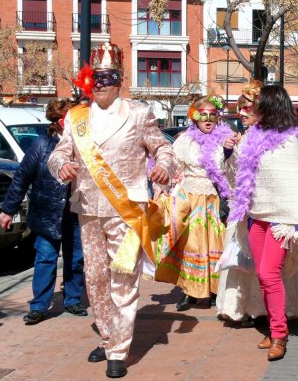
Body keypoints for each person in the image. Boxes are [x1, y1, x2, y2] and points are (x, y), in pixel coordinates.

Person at [47, 42, 176, 378]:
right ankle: (107, 336)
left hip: (126, 208)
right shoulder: (76, 117)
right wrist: (60, 166)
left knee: (123, 276)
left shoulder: (138, 112)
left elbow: (163, 147)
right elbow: (59, 153)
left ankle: (118, 350)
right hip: (88, 208)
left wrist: (163, 167)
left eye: (108, 76)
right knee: (96, 279)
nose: (101, 83)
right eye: (95, 77)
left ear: (120, 81)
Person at [224, 85, 298, 361]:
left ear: (270, 106)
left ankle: (279, 334)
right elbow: (237, 173)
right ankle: (274, 327)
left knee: (270, 275)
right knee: (262, 275)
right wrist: (229, 152)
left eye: (256, 104)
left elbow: (297, 184)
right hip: (256, 216)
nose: (251, 109)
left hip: (281, 220)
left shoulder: (289, 141)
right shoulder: (251, 134)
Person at [0, 98, 86, 325]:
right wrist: (8, 210)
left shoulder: (84, 144)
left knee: (76, 259)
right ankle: (39, 305)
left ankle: (73, 299)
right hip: (47, 213)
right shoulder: (41, 145)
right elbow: (21, 179)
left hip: (75, 213)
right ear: (61, 122)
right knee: (46, 259)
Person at [154, 96, 232, 310]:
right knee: (190, 244)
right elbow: (173, 166)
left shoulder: (225, 140)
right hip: (190, 196)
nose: (207, 120)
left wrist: (229, 151)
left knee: (216, 243)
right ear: (194, 118)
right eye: (202, 115)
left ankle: (216, 290)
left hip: (215, 197)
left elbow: (232, 169)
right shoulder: (184, 141)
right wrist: (161, 183)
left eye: (212, 116)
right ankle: (190, 291)